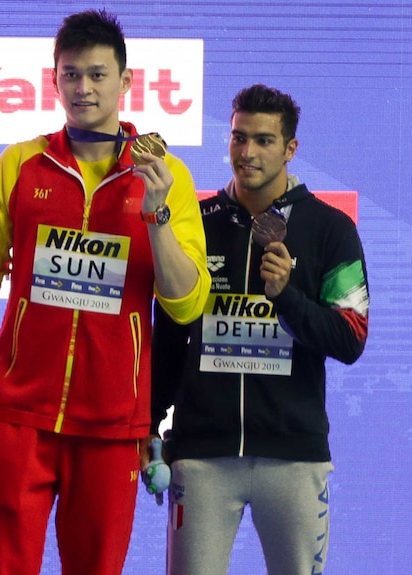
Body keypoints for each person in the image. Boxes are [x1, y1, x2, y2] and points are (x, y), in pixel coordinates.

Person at [0, 9, 210, 575]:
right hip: (20, 420)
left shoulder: (168, 177)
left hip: (114, 430)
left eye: (96, 75)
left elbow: (185, 302)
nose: (82, 88)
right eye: (70, 75)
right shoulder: (20, 164)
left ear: (127, 81)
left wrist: (156, 214)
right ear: (54, 78)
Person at [150, 84, 370, 574]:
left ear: (291, 148)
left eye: (264, 141)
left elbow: (351, 337)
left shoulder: (330, 228)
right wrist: (148, 423)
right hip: (203, 456)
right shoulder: (196, 223)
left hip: (294, 458)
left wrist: (287, 297)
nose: (246, 152)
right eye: (238, 137)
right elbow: (166, 334)